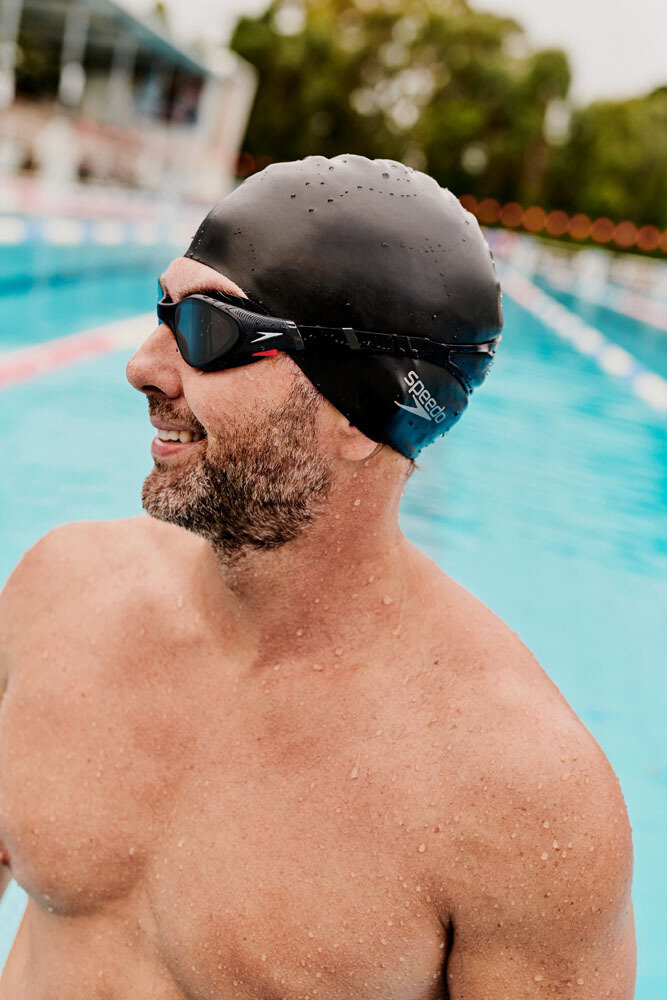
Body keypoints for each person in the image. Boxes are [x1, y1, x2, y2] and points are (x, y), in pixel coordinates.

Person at [0, 155, 635, 998]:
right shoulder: (59, 593)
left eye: (208, 330)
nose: (144, 364)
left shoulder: (518, 797)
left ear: (362, 414)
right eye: (163, 311)